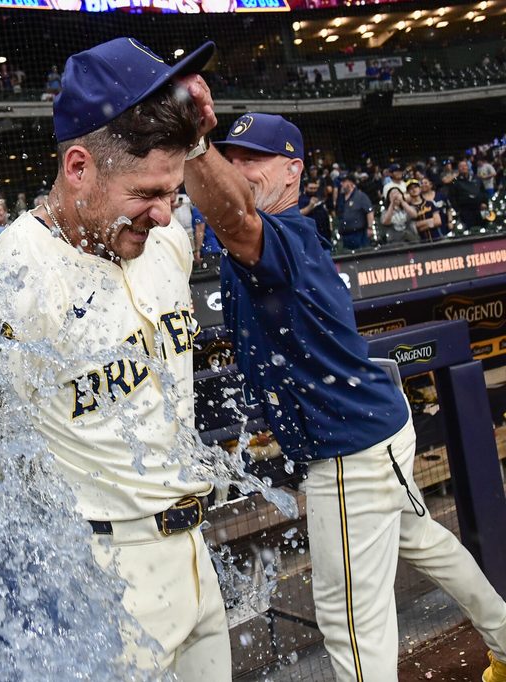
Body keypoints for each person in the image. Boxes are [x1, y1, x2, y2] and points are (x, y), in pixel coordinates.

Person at [178, 100, 506, 682]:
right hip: (377, 425)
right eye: (232, 157)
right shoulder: (262, 235)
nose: (240, 168)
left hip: (351, 451)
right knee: (421, 539)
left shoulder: (278, 235)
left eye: (256, 158)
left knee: (348, 621)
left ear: (293, 170)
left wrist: (198, 141)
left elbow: (234, 219)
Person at [0, 37, 229, 677]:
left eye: (174, 192)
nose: (168, 215)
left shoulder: (160, 243)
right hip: (104, 578)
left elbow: (239, 216)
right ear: (80, 167)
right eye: (149, 193)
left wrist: (197, 141)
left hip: (196, 556)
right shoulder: (13, 275)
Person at [336, 174, 374, 250]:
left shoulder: (360, 196)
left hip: (359, 233)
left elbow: (369, 212)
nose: (341, 184)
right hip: (345, 234)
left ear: (350, 182)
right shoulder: (341, 198)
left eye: (344, 181)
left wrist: (370, 227)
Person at [298, 178, 333, 247]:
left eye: (315, 188)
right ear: (305, 188)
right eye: (311, 188)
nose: (313, 190)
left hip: (323, 235)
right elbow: (297, 215)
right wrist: (310, 206)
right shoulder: (300, 200)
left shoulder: (320, 198)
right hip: (309, 237)